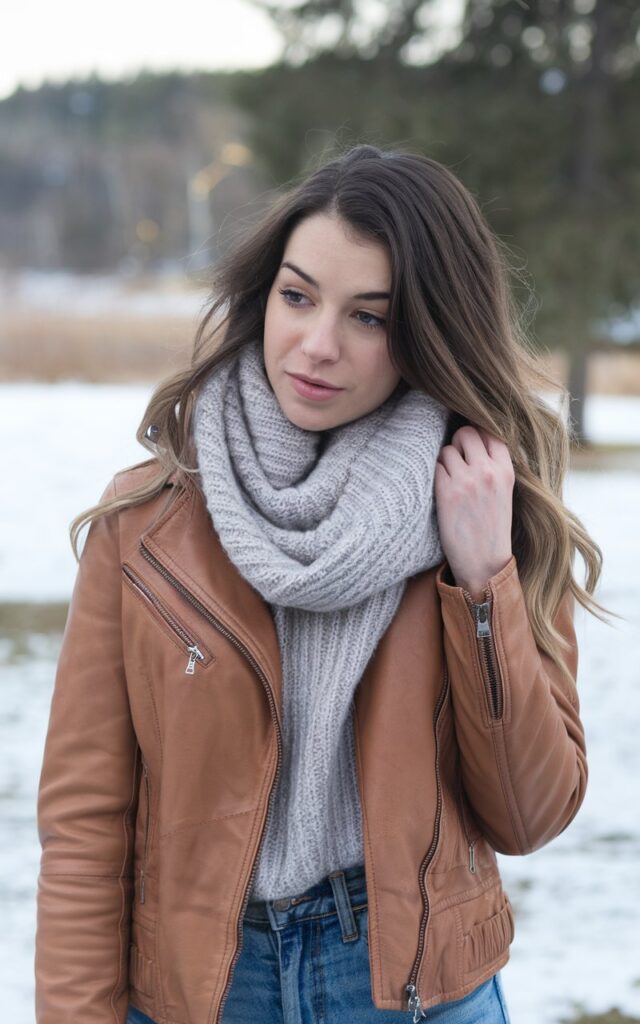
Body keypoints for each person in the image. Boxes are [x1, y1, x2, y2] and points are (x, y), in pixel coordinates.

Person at [34, 143, 608, 1024]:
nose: (317, 344)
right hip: (204, 987)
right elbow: (84, 830)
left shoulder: (480, 505)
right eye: (297, 296)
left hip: (411, 989)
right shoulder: (146, 525)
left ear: (427, 334)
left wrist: (482, 579)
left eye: (370, 318)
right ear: (263, 292)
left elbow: (529, 814)